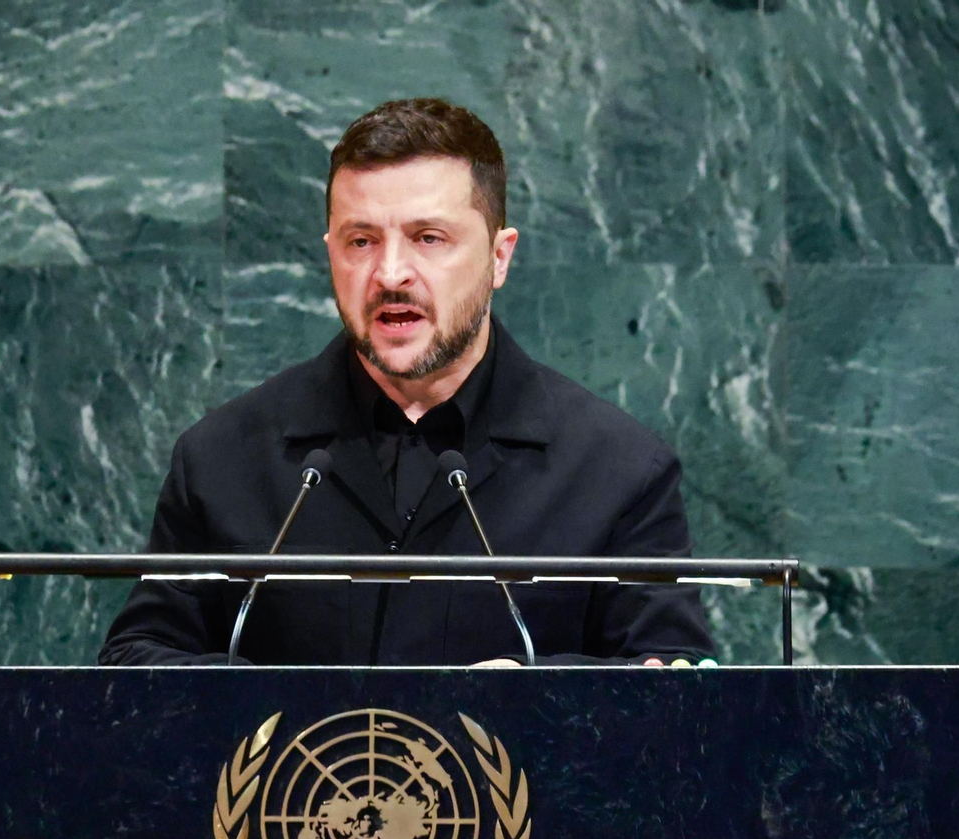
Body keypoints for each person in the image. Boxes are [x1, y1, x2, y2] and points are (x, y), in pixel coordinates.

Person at [99, 98, 713, 666]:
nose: (390, 273)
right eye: (360, 241)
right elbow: (138, 661)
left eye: (428, 238)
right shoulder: (220, 459)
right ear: (330, 253)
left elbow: (674, 691)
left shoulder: (621, 471)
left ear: (500, 257)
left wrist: (536, 702)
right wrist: (274, 706)